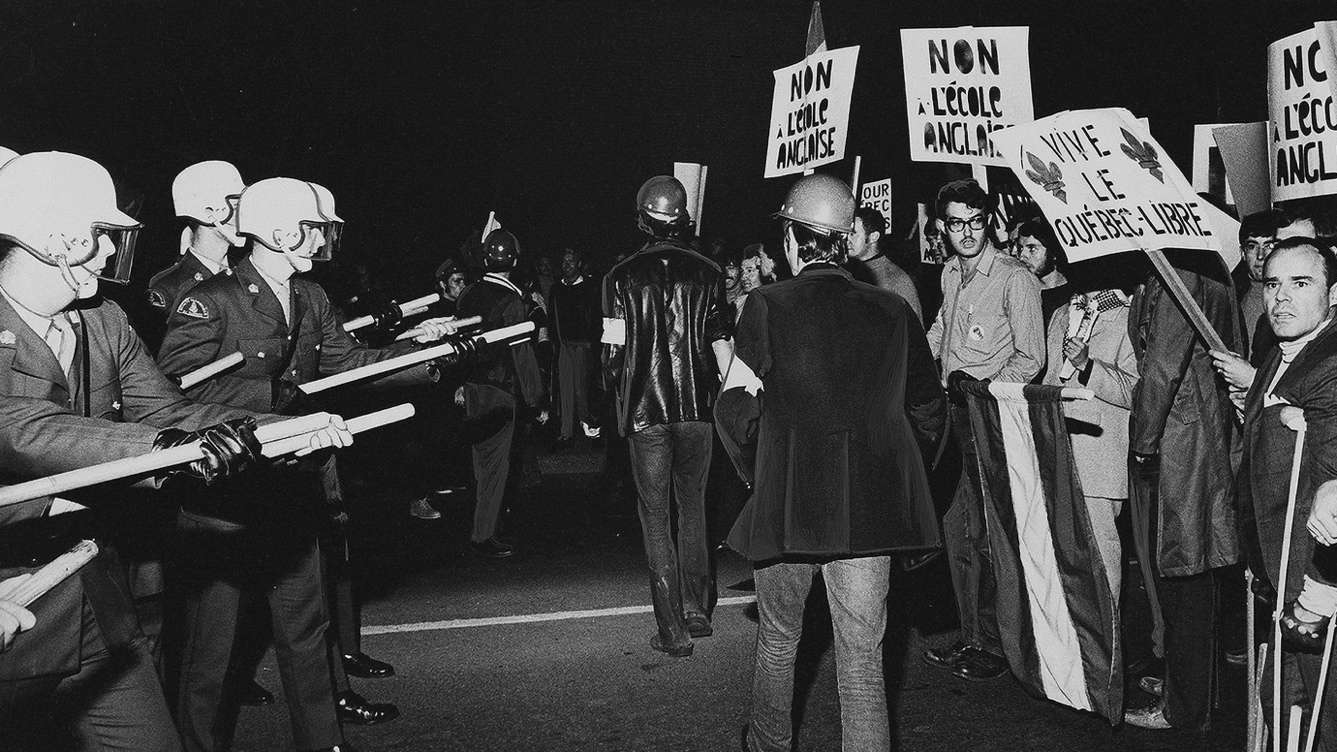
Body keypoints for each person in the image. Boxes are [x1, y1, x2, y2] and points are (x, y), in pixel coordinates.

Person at [0, 151, 350, 751]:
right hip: (13, 612)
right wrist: (176, 449)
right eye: (99, 237)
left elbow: (167, 408)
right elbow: (23, 428)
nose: (110, 255)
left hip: (96, 601)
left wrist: (273, 433)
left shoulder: (103, 320)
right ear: (51, 238)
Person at [158, 177, 454, 751]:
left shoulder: (311, 296)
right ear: (279, 232)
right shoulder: (213, 300)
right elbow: (170, 394)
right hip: (229, 499)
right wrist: (276, 403)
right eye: (316, 229)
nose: (322, 242)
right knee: (212, 655)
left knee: (306, 632)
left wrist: (430, 356)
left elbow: (348, 362)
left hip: (294, 485)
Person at [718, 173, 944, 752]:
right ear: (846, 241)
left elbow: (734, 409)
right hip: (870, 516)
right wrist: (897, 475)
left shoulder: (765, 306)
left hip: (787, 508)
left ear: (793, 241)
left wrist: (759, 470)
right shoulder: (894, 311)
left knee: (778, 642)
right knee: (864, 664)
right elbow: (929, 413)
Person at [602, 174, 733, 656]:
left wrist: (612, 400)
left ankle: (672, 629)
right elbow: (723, 345)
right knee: (693, 507)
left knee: (655, 517)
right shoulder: (710, 272)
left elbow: (612, 356)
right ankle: (698, 609)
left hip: (645, 412)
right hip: (699, 408)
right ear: (684, 220)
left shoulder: (618, 278)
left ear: (642, 219)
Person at [921, 179, 1044, 682]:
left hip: (991, 417)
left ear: (988, 220)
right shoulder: (951, 272)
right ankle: (972, 633)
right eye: (955, 223)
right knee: (959, 533)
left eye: (975, 221)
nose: (966, 233)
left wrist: (988, 388)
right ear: (942, 228)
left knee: (992, 534)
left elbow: (1032, 357)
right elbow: (941, 329)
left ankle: (997, 642)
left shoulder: (1015, 278)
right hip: (952, 416)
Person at [1123, 250, 1240, 731]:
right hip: (1196, 433)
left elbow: (1163, 366)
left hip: (1182, 440)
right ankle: (1187, 685)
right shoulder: (1200, 266)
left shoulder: (1179, 273)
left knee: (1184, 573)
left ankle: (1185, 708)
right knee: (1191, 572)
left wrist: (1142, 443)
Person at [1236, 237, 1337, 744]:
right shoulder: (1278, 349)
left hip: (1314, 578)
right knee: (1282, 703)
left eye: (1301, 284)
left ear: (1333, 293)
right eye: (1273, 283)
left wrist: (1321, 586)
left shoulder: (1332, 360)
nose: (1282, 298)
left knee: (1317, 710)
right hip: (1277, 563)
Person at [1040, 277, 1138, 598]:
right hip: (1056, 453)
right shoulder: (1061, 314)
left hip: (1098, 461)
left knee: (1100, 563)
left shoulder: (1128, 316)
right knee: (1061, 563)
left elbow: (1135, 392)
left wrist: (1087, 365)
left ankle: (1105, 643)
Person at [454, 228, 545, 558]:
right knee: (496, 467)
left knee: (481, 463)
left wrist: (459, 385)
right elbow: (522, 356)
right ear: (515, 260)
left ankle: (481, 524)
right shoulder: (512, 301)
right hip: (499, 389)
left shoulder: (468, 294)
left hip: (472, 386)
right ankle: (483, 535)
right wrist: (536, 398)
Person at [146, 161, 247, 342]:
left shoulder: (245, 272)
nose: (245, 215)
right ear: (209, 213)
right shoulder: (167, 287)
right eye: (237, 206)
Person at [549, 247, 601, 450]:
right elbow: (552, 318)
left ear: (579, 263)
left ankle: (588, 424)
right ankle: (566, 431)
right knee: (565, 388)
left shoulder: (590, 287)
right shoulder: (556, 289)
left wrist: (593, 342)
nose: (566, 266)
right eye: (564, 262)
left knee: (583, 388)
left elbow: (596, 318)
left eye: (570, 262)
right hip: (563, 345)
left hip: (584, 346)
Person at [846, 206, 922, 321]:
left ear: (873, 237)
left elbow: (914, 332)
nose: (846, 239)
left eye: (852, 234)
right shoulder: (845, 271)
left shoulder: (896, 280)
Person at [1012, 216, 1069, 332]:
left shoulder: (1073, 296)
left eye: (1032, 249)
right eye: (1020, 248)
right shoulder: (1021, 291)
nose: (1022, 256)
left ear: (1053, 252)